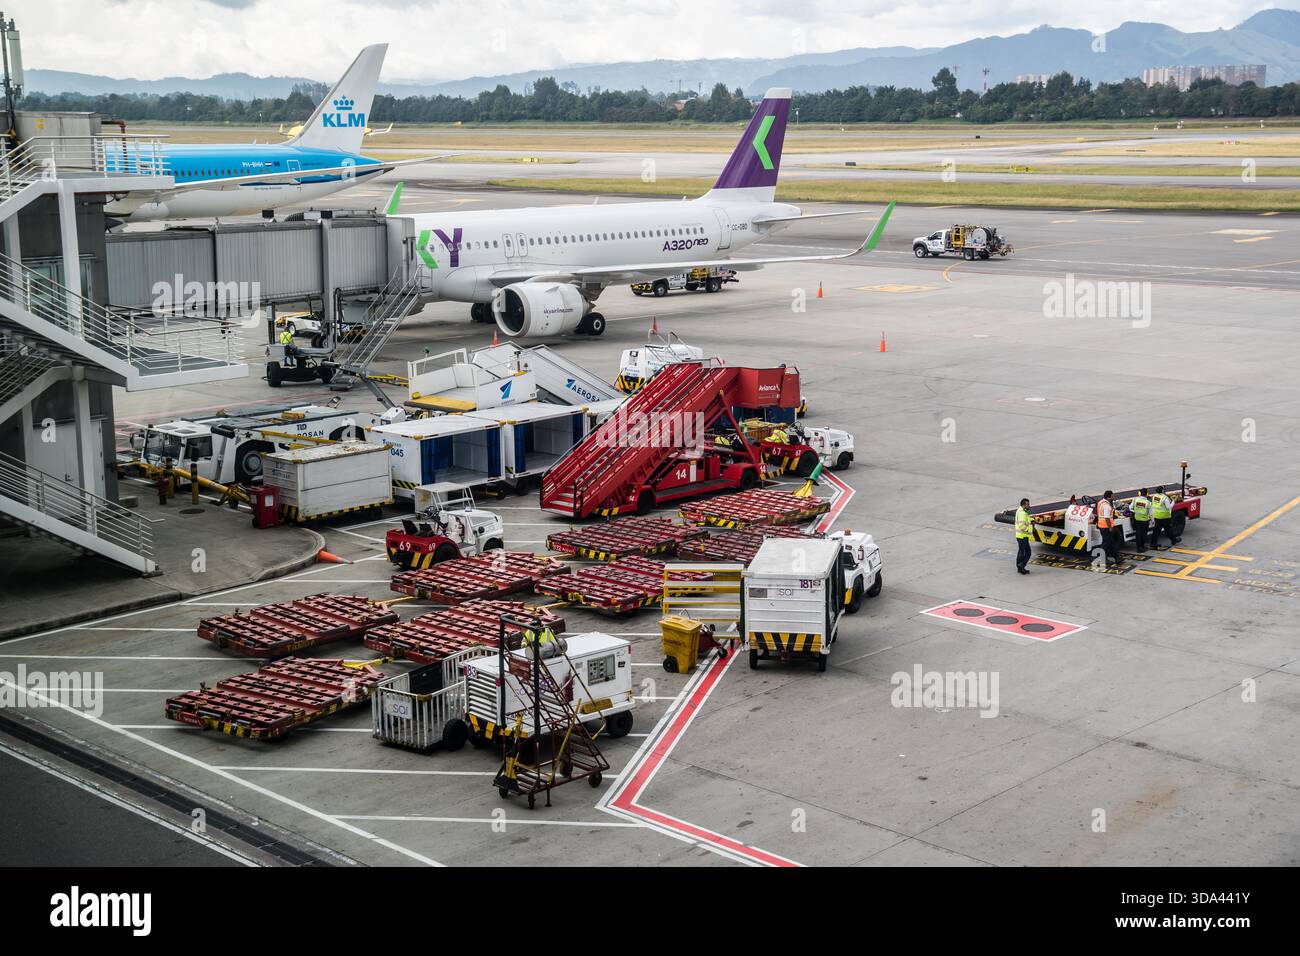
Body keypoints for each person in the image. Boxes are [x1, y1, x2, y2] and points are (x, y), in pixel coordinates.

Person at [1095, 490, 1121, 567]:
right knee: (1106, 544)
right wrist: (1110, 527)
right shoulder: (1106, 506)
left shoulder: (1100, 502)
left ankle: (1116, 557)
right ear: (1108, 497)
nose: (1113, 498)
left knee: (1110, 542)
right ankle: (1103, 558)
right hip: (1106, 527)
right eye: (1112, 496)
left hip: (1101, 526)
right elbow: (1107, 518)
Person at [1014, 497, 1033, 575]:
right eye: (1027, 504)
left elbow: (1026, 519)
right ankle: (1021, 565)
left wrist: (1031, 520)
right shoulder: (1022, 513)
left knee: (1021, 551)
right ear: (1023, 505)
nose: (1029, 506)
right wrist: (1030, 528)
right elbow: (1022, 526)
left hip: (1020, 535)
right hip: (1023, 536)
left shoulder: (1020, 511)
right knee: (1028, 552)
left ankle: (1019, 567)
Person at [1130, 488, 1151, 553]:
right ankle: (1142, 547)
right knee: (1144, 534)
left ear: (1140, 493)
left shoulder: (1135, 500)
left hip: (1137, 519)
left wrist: (1135, 511)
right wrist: (1153, 521)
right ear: (1146, 494)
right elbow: (1151, 513)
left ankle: (1138, 547)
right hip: (1145, 520)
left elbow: (1130, 508)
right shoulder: (1148, 502)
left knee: (1138, 534)